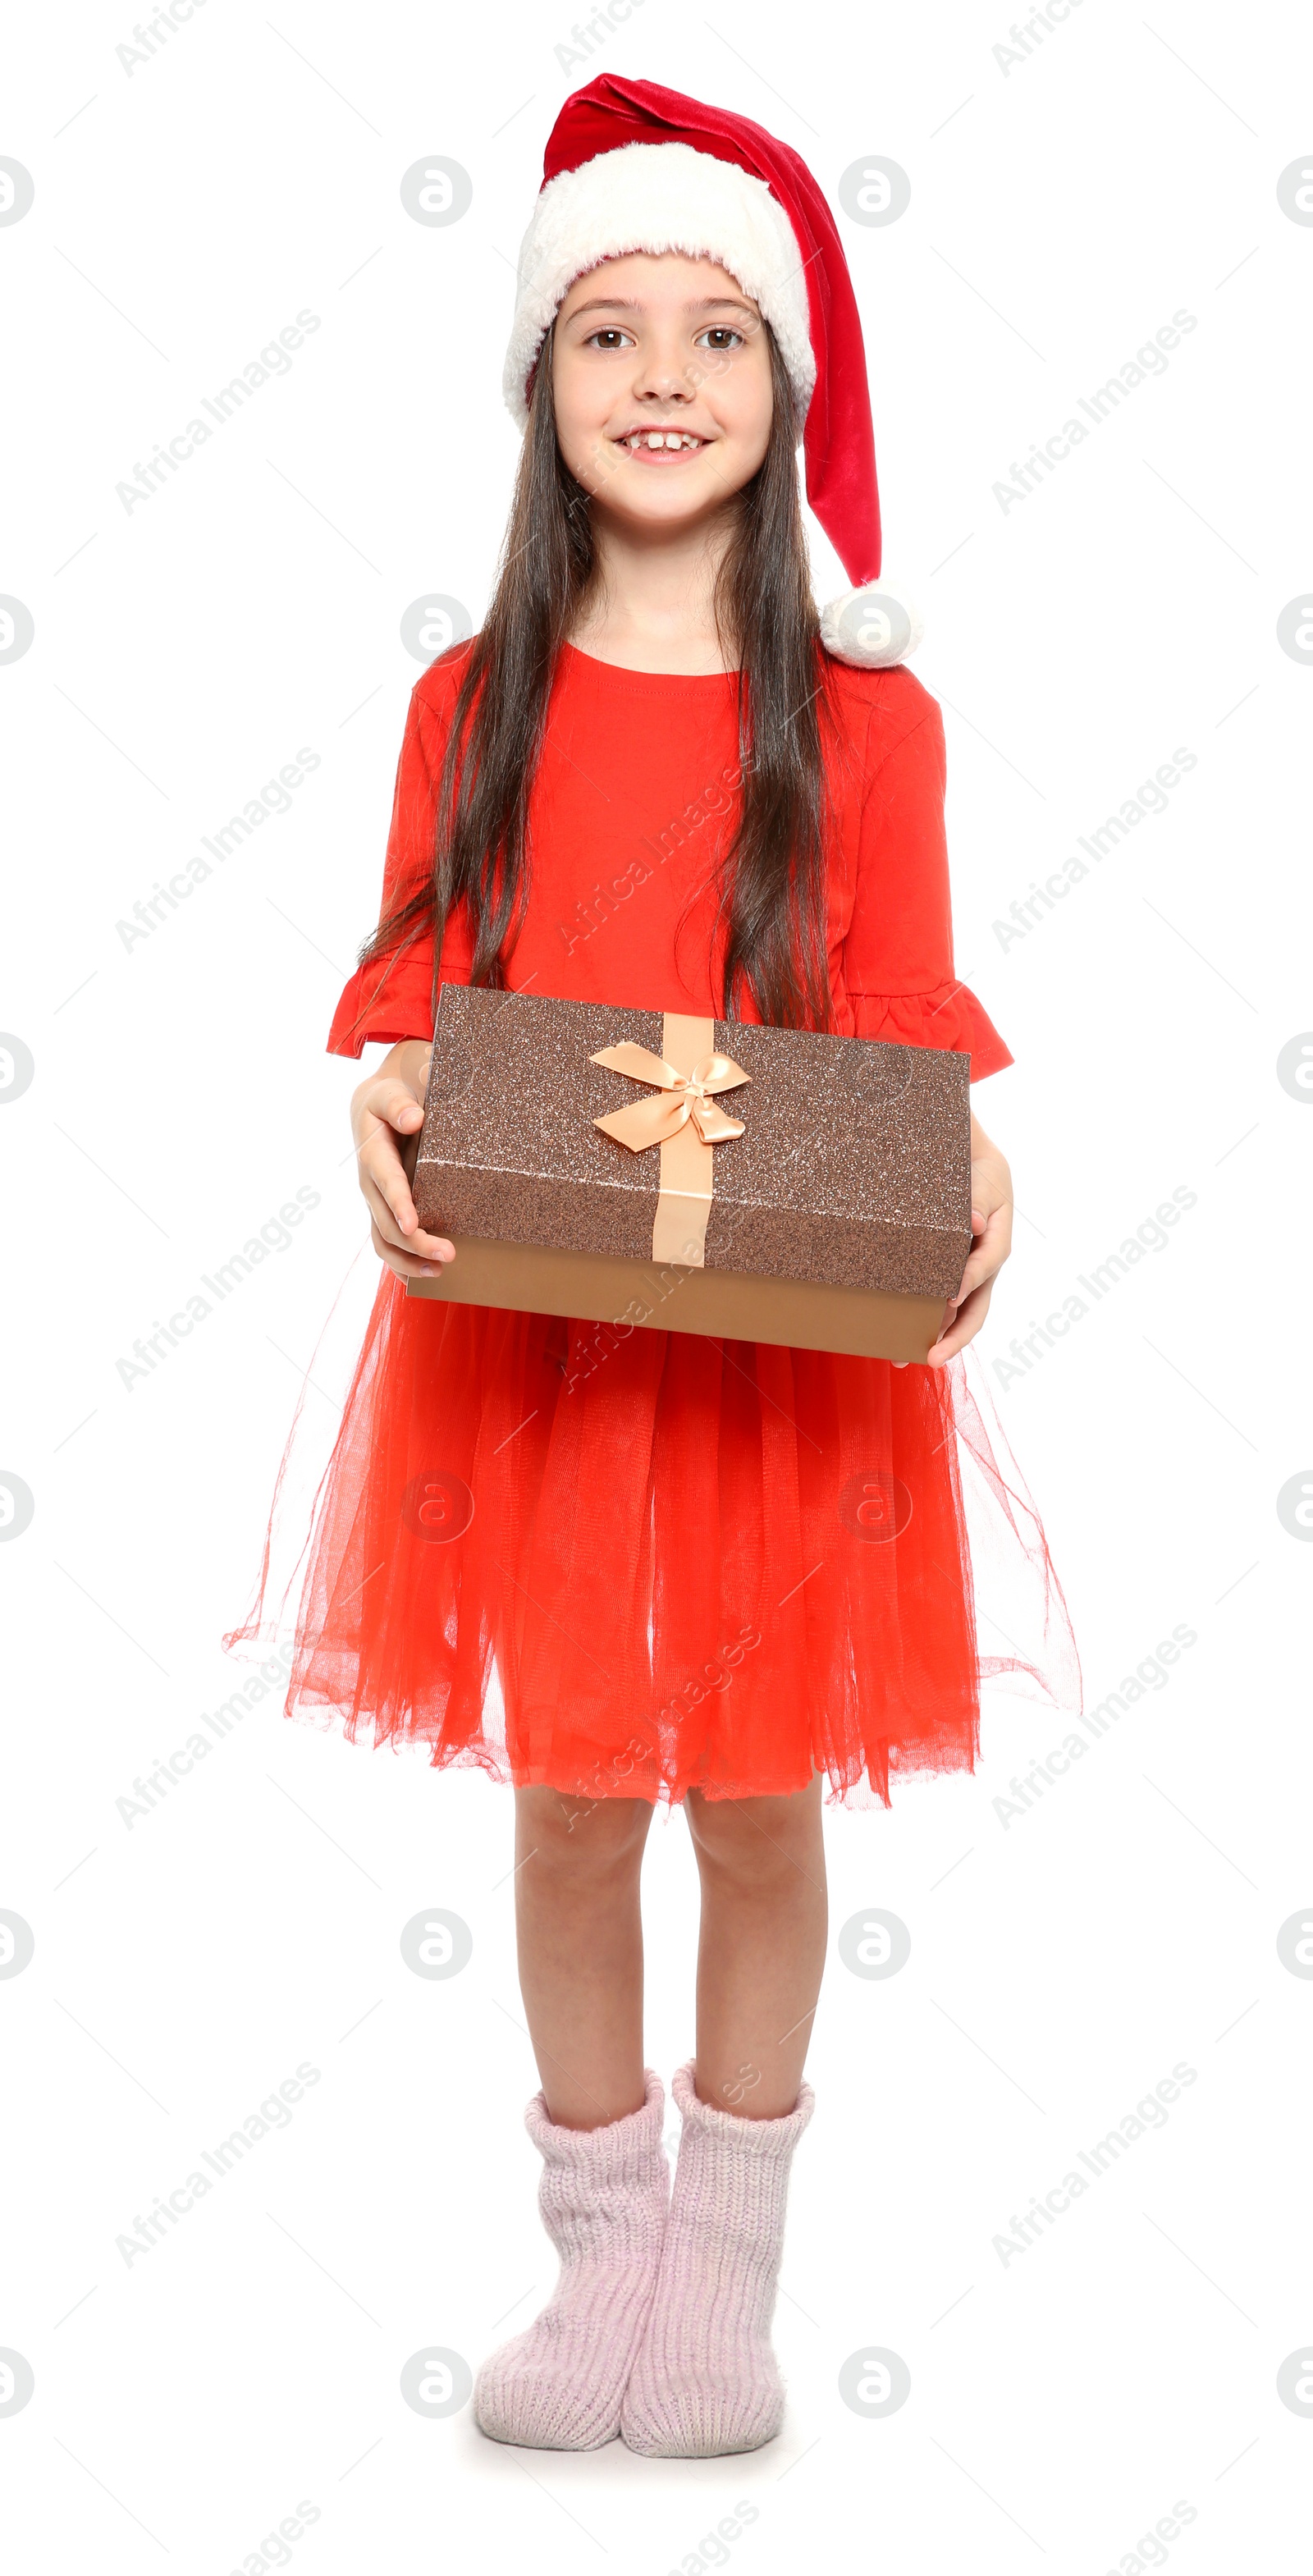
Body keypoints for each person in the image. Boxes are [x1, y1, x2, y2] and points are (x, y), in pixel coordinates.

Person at [228, 74, 1077, 2460]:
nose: (668, 375)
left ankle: (731, 2274)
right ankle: (595, 2257)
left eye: (721, 330)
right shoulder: (466, 696)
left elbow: (898, 995)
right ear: (539, 385)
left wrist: (966, 1148)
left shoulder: (870, 713)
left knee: (761, 1796)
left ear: (789, 386)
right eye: (611, 331)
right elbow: (419, 971)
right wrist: (382, 1084)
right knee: (577, 1790)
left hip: (777, 1357)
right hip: (549, 1345)